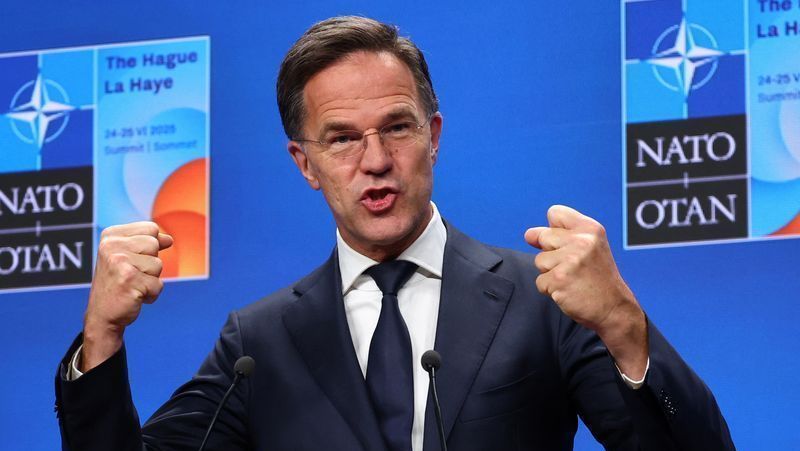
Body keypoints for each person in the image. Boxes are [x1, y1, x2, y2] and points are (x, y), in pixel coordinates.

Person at [55, 16, 734, 451]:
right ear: (305, 164)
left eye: (397, 128)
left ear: (433, 136)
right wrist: (101, 338)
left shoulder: (541, 300)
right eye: (342, 139)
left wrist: (623, 326)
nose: (376, 160)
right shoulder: (257, 344)